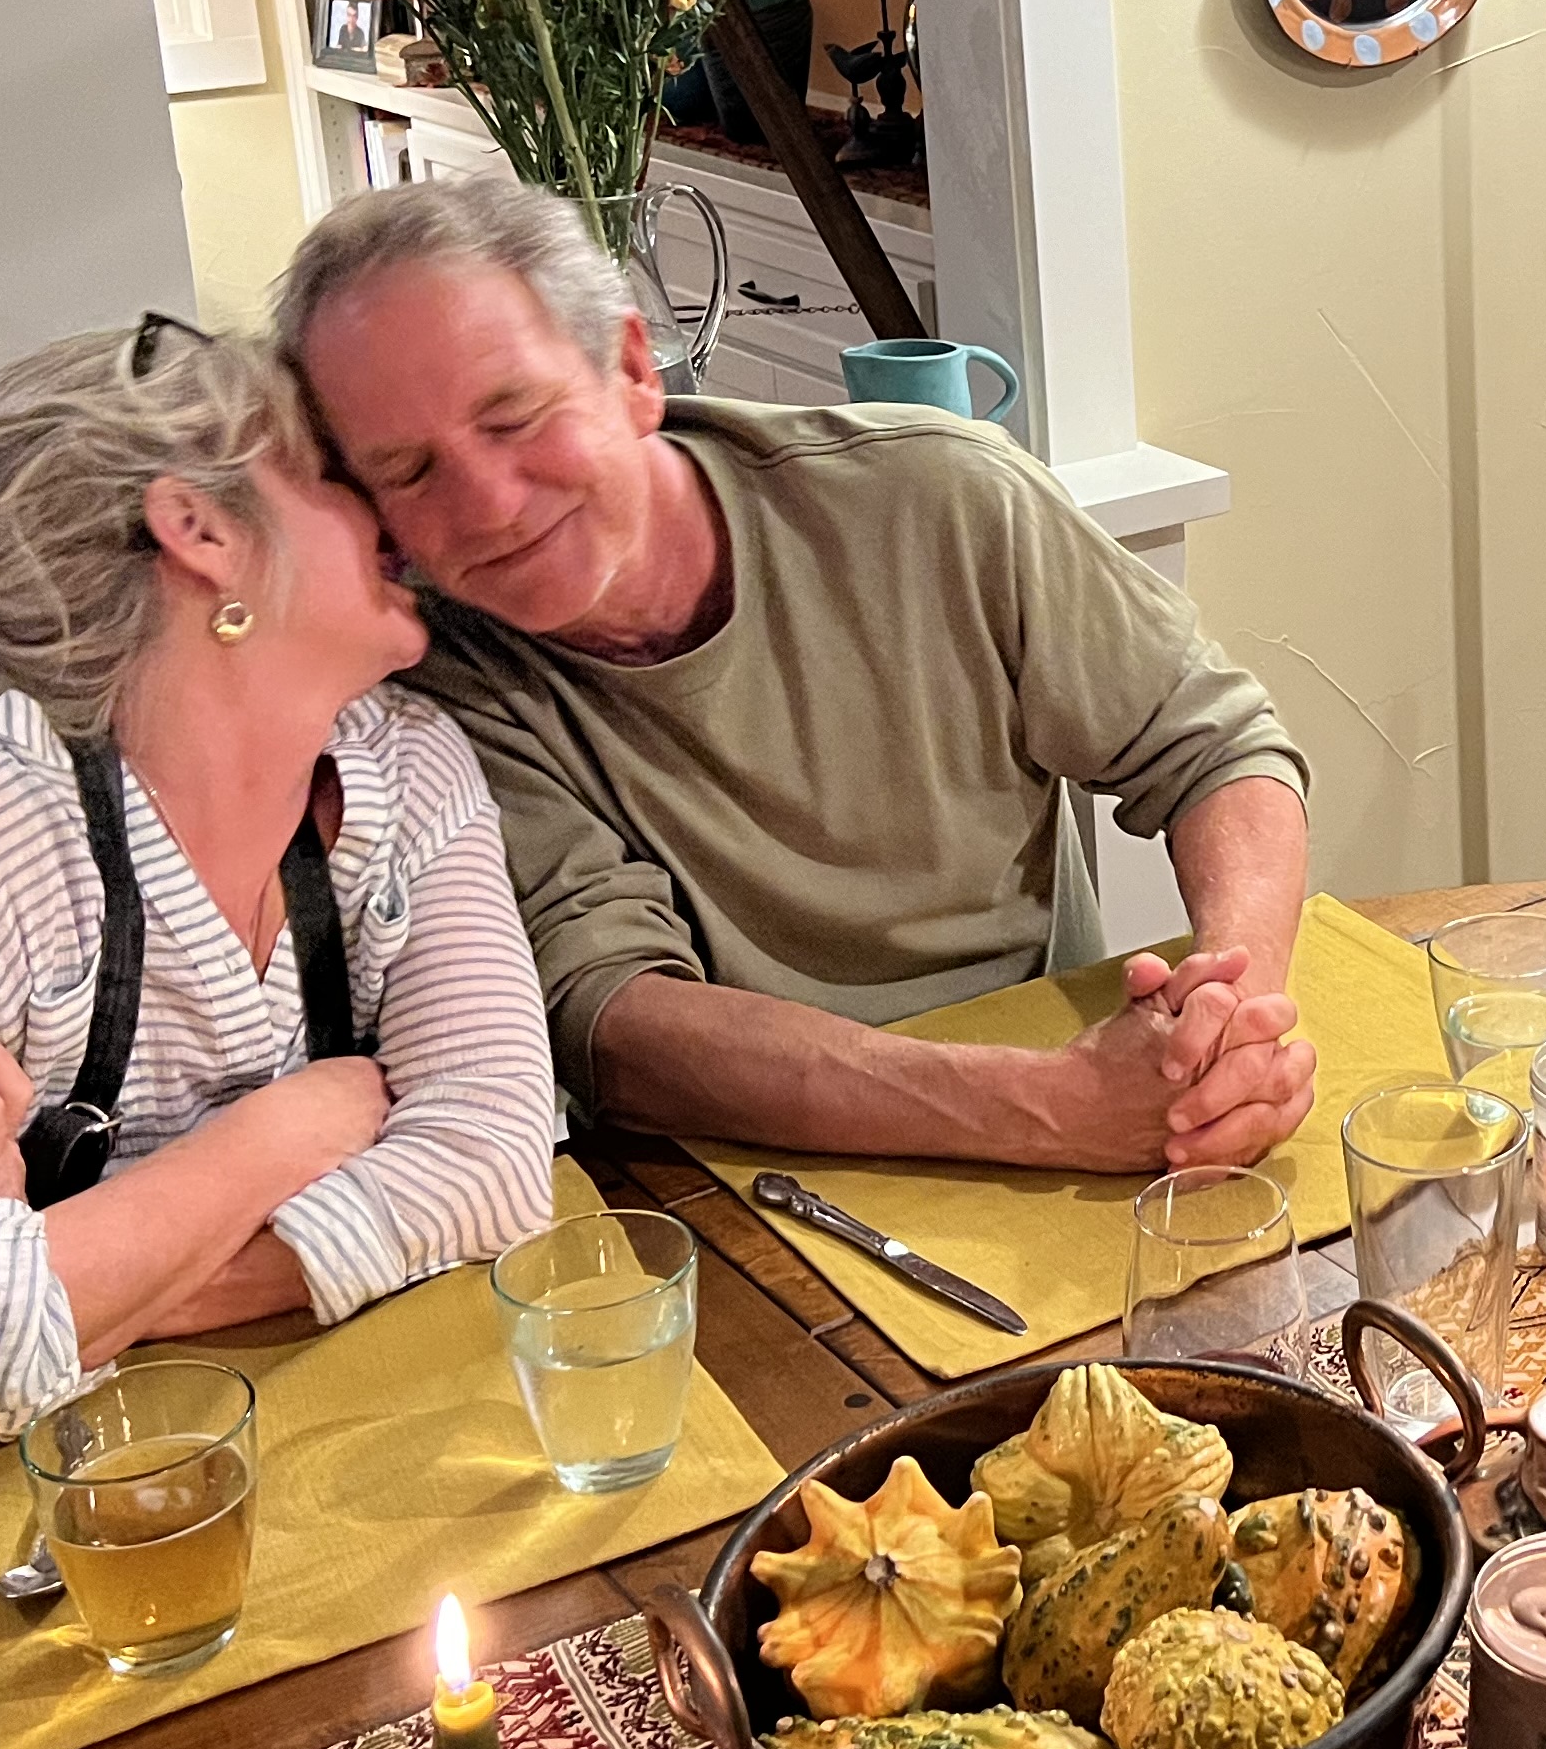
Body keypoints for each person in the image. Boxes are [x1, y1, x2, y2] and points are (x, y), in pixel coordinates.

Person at [0, 317, 560, 1475]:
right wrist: (292, 1130)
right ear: (202, 532)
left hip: (175, 1413)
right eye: (339, 473)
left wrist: (48, 1279)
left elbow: (495, 1167)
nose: (403, 511)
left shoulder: (408, 767)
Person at [274, 183, 1318, 1171]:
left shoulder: (936, 492)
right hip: (739, 1170)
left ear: (633, 370)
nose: (490, 505)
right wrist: (1051, 1108)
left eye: (515, 418)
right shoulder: (429, 689)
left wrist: (1230, 1019)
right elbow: (614, 1021)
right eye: (408, 471)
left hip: (1073, 1092)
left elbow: (1215, 750)